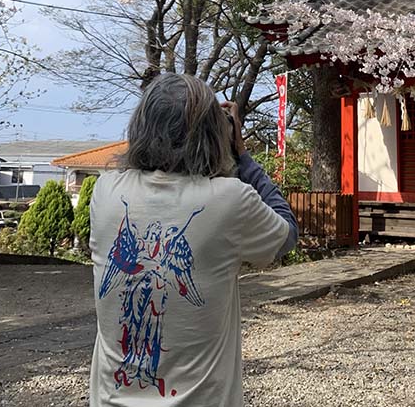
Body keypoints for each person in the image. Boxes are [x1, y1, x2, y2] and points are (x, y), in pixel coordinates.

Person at [88, 73, 298, 406]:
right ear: (212, 134)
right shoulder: (229, 200)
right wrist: (241, 154)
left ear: (140, 126)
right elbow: (286, 234)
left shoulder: (106, 191)